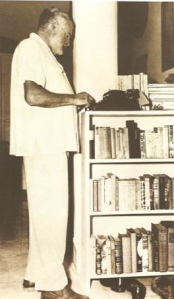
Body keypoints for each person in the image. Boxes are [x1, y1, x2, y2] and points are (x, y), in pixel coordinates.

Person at [10, 6, 95, 299]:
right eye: (67, 35)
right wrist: (74, 98)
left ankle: (37, 273)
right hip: (45, 145)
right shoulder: (32, 48)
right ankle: (53, 286)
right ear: (55, 24)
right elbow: (33, 95)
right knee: (53, 216)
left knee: (44, 214)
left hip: (45, 145)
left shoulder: (38, 52)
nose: (67, 43)